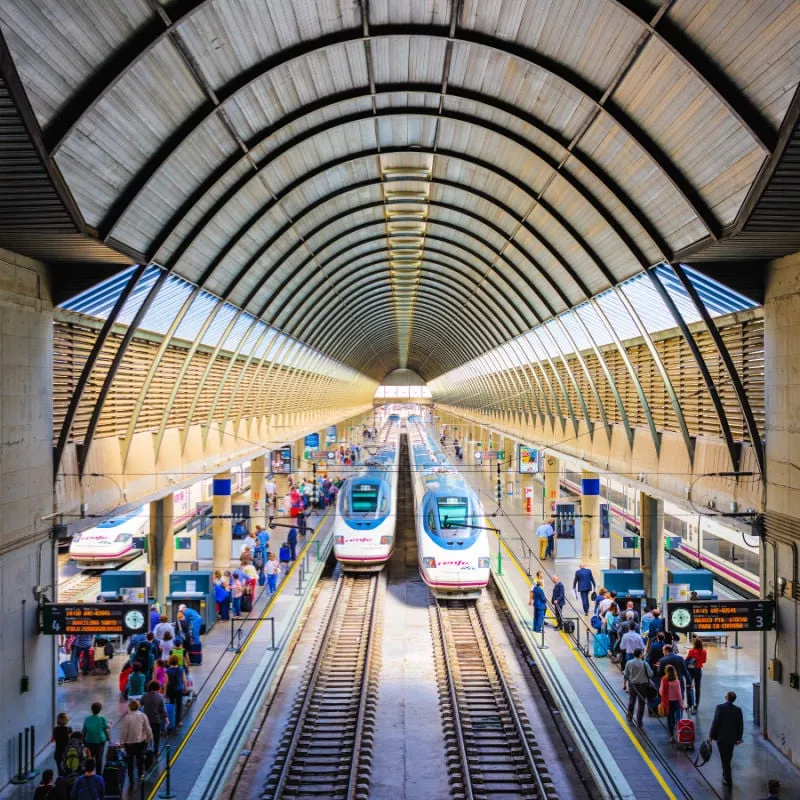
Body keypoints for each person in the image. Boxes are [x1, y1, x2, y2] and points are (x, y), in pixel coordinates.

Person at [708, 691, 744, 787]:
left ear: (726, 698)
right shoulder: (738, 710)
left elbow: (716, 722)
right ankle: (725, 775)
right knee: (728, 757)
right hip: (732, 739)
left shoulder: (720, 708)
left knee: (724, 759)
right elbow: (740, 725)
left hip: (721, 738)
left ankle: (728, 778)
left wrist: (711, 735)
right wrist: (739, 738)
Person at [118, 699, 152, 785]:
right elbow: (148, 728)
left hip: (129, 743)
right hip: (140, 742)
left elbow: (124, 731)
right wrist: (149, 737)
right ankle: (141, 774)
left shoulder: (126, 718)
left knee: (130, 760)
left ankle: (131, 777)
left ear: (130, 707)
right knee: (140, 758)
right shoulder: (143, 715)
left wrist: (121, 743)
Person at [623, 648, 653, 727]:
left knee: (631, 701)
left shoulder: (629, 663)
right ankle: (639, 721)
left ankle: (629, 716)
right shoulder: (645, 664)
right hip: (643, 686)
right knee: (641, 703)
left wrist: (624, 685)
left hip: (632, 685)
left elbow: (626, 675)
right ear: (640, 654)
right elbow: (650, 674)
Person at [141, 681, 168, 758]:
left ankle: (144, 750)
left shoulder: (144, 695)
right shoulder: (160, 697)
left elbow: (139, 704)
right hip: (156, 720)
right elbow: (163, 709)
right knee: (156, 736)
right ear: (158, 688)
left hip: (146, 720)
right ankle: (156, 751)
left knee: (146, 735)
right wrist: (166, 718)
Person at [81, 702, 110, 773]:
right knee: (99, 759)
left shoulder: (87, 718)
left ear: (92, 709)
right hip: (100, 741)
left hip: (89, 741)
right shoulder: (102, 718)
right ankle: (98, 775)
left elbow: (83, 730)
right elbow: (106, 729)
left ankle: (88, 773)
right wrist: (109, 738)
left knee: (89, 758)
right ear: (100, 710)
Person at [660, 664, 684, 742]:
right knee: (677, 717)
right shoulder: (676, 681)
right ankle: (678, 731)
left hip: (668, 702)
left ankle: (671, 736)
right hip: (676, 701)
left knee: (669, 718)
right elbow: (679, 694)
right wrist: (681, 704)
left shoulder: (664, 680)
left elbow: (661, 691)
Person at [686, 637, 707, 713]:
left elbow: (687, 659)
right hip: (698, 670)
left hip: (691, 670)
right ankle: (696, 704)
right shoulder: (704, 651)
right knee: (697, 688)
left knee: (689, 686)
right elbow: (704, 661)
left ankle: (689, 704)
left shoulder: (691, 651)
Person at [165, 655, 185, 729]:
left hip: (171, 690)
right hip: (179, 689)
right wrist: (185, 687)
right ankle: (178, 721)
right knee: (179, 705)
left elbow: (166, 683)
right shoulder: (181, 669)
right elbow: (184, 680)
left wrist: (164, 692)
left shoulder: (167, 671)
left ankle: (171, 720)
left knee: (171, 704)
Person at [52, 712, 72, 776]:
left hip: (58, 753)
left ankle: (60, 783)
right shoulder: (69, 729)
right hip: (67, 753)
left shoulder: (55, 729)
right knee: (68, 770)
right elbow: (70, 739)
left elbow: (53, 739)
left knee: (60, 772)